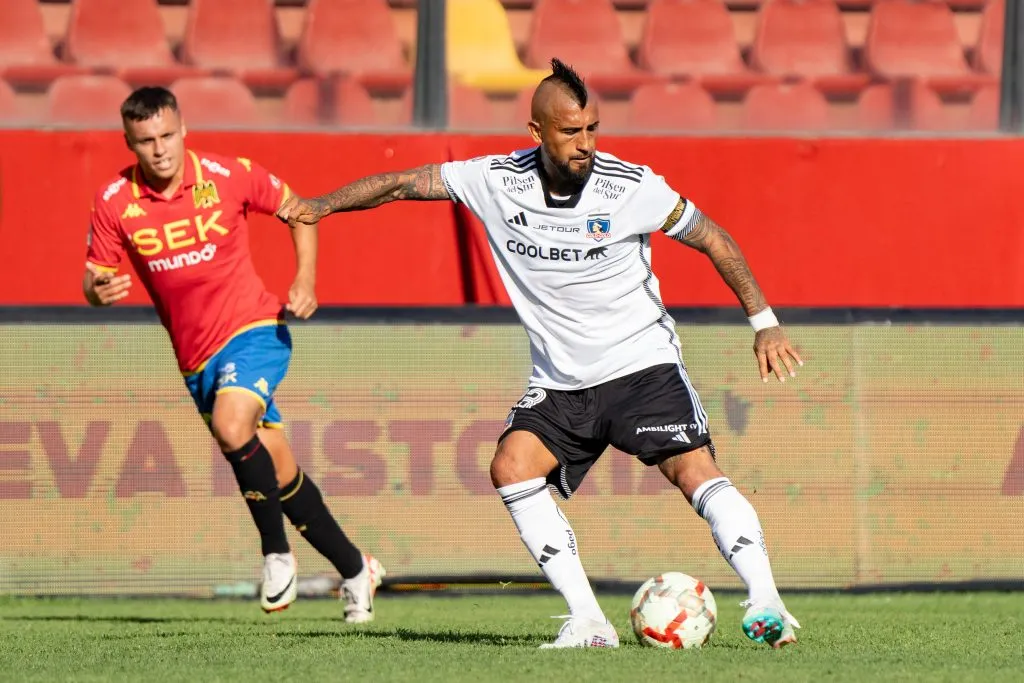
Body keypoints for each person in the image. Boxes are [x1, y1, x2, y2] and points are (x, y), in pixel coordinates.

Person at [277, 59, 803, 648]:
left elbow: (713, 238)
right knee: (510, 468)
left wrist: (764, 322)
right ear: (536, 133)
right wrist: (321, 206)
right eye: (571, 132)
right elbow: (401, 183)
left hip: (640, 366)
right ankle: (589, 621)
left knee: (695, 473)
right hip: (560, 382)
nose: (586, 145)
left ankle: (767, 601)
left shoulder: (632, 188)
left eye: (593, 129)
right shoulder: (495, 180)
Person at [83, 86, 383, 621]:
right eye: (146, 141)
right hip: (195, 358)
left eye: (167, 135)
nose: (160, 150)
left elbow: (302, 213)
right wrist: (96, 290)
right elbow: (95, 275)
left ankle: (275, 555)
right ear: (129, 142)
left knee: (230, 424)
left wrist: (305, 280)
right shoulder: (114, 202)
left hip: (254, 329)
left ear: (183, 129)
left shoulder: (229, 175)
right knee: (279, 471)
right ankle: (357, 569)